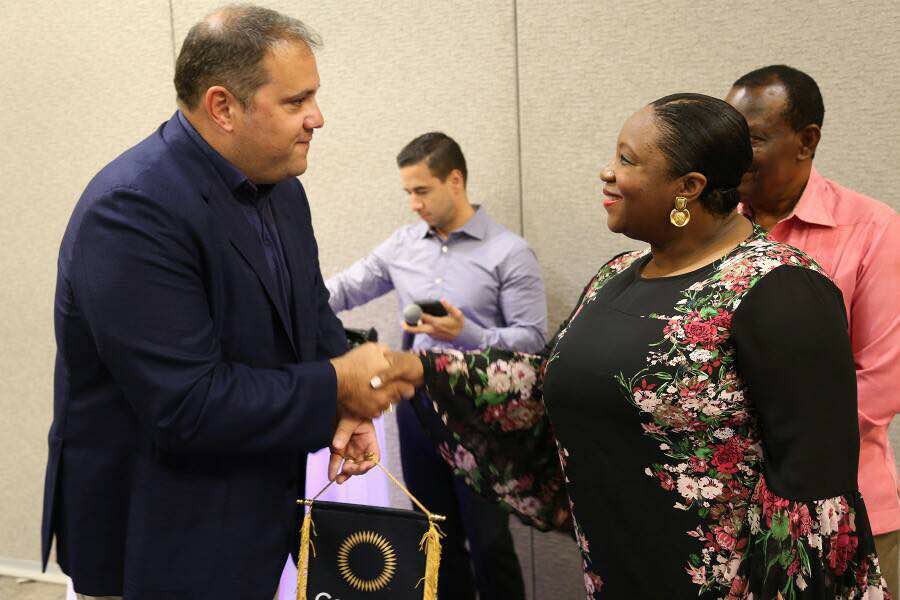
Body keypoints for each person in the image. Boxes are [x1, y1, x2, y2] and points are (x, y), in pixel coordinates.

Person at [360, 93, 891, 598]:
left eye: (627, 159)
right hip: (618, 573)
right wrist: (425, 370)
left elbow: (812, 491)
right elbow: (545, 383)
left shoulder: (781, 288)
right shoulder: (616, 275)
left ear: (688, 187)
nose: (606, 172)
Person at [42, 6, 407, 599]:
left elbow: (309, 316)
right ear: (222, 107)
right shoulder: (131, 210)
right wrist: (337, 384)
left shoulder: (281, 188)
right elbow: (188, 404)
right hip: (157, 542)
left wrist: (347, 405)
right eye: (296, 101)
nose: (317, 117)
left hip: (250, 522)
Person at [326, 132, 547, 599]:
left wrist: (467, 333)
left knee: (489, 542)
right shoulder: (402, 245)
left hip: (482, 412)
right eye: (408, 192)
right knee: (433, 538)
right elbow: (342, 290)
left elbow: (533, 342)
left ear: (455, 180)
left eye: (422, 191)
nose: (413, 204)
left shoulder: (509, 252)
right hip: (417, 408)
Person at [724, 64, 900, 598]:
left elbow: (882, 380)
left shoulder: (873, 230)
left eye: (752, 139)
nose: (734, 154)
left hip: (844, 506)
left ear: (807, 141)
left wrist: (768, 446)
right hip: (726, 511)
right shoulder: (714, 225)